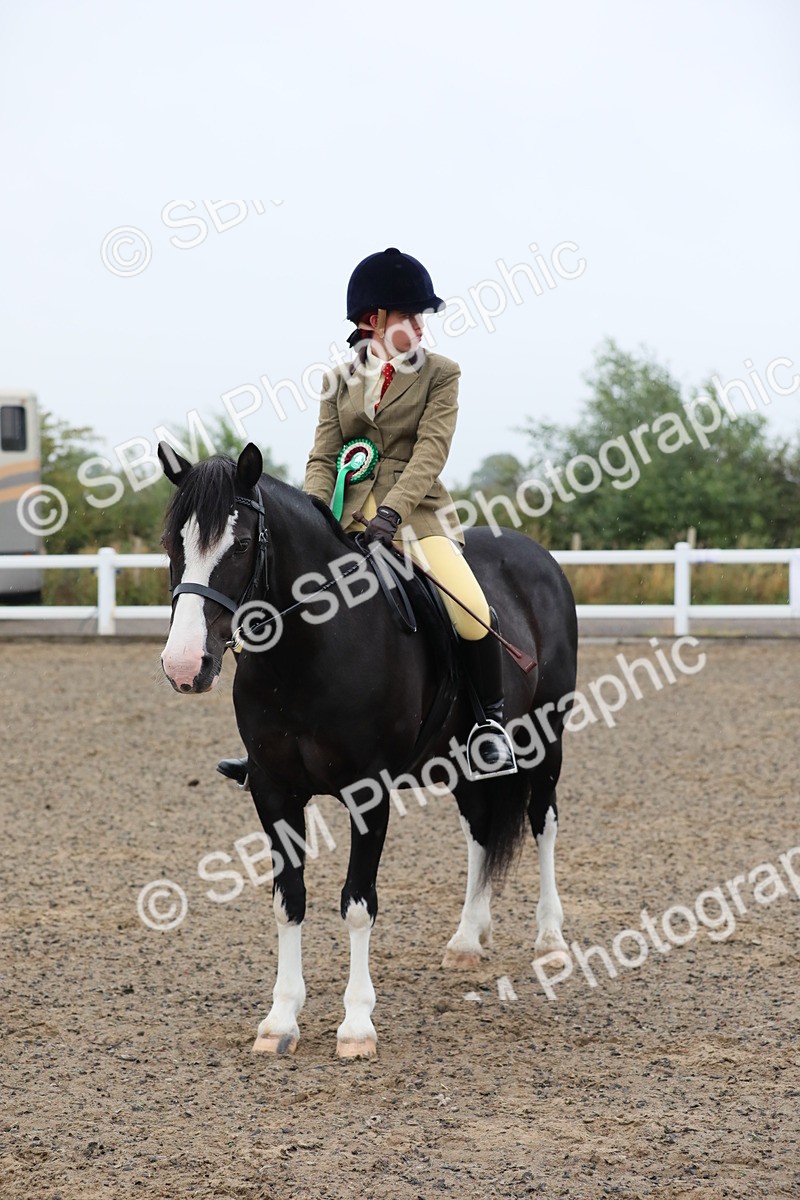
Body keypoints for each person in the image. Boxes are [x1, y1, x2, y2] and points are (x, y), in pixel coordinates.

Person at [217, 248, 515, 786]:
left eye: (422, 318)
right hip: (343, 519)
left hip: (417, 517)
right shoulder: (337, 381)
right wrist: (313, 517)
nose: (421, 329)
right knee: (266, 617)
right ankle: (268, 746)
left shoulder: (441, 375)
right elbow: (323, 455)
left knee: (472, 610)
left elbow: (431, 451)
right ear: (374, 320)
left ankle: (487, 726)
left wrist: (394, 513)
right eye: (411, 317)